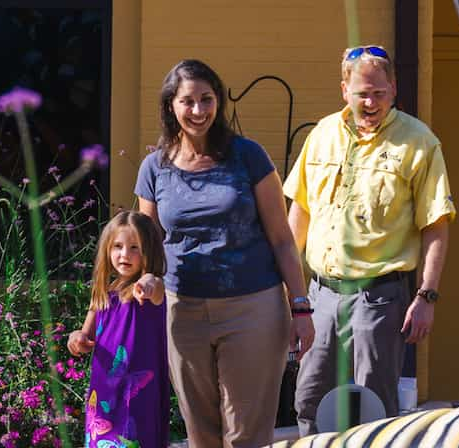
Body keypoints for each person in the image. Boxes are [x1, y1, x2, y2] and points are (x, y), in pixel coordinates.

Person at [135, 59, 314, 447]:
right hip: (182, 310)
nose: (198, 111)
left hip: (253, 307)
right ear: (170, 106)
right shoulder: (154, 168)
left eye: (207, 99)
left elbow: (283, 239)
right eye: (188, 101)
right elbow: (144, 245)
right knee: (200, 430)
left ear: (219, 102)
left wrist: (301, 307)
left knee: (247, 431)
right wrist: (146, 278)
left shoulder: (248, 156)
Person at [284, 45, 454, 435]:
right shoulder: (322, 134)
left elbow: (436, 226)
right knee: (308, 399)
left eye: (379, 93)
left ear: (394, 89)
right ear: (344, 90)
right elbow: (300, 214)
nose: (370, 102)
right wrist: (288, 292)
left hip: (379, 300)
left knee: (373, 409)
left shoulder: (419, 143)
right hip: (319, 296)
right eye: (362, 93)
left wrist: (426, 296)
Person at [66, 210, 172, 448]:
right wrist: (76, 338)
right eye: (118, 246)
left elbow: (155, 286)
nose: (125, 254)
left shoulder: (152, 289)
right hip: (104, 391)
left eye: (135, 247)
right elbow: (85, 334)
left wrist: (146, 284)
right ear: (107, 249)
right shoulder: (104, 292)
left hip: (138, 394)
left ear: (150, 251)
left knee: (135, 439)